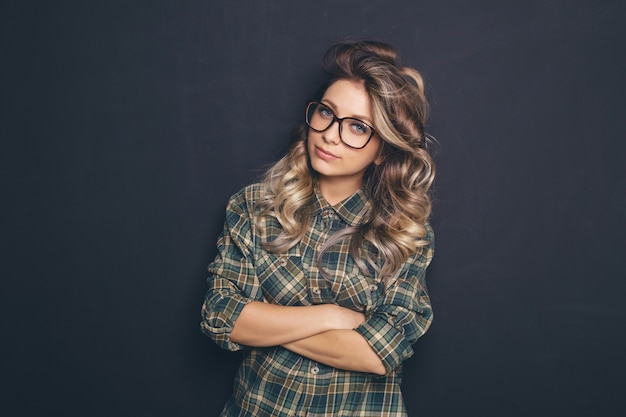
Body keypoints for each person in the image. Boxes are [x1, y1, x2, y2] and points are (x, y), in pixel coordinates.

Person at [201, 40, 436, 417]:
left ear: (381, 150)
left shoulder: (404, 232)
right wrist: (331, 315)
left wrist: (266, 322)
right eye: (327, 112)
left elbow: (380, 352)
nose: (329, 134)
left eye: (357, 127)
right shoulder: (254, 207)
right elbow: (221, 317)